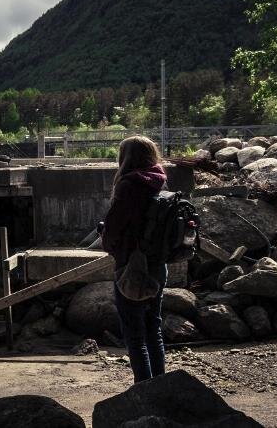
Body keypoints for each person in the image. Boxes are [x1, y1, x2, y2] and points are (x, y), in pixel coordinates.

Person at [101, 135, 168, 383]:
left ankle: (143, 389)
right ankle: (160, 386)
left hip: (131, 266)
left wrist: (109, 242)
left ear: (126, 157)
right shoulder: (158, 181)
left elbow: (114, 229)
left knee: (134, 334)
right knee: (154, 330)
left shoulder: (128, 185)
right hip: (157, 265)